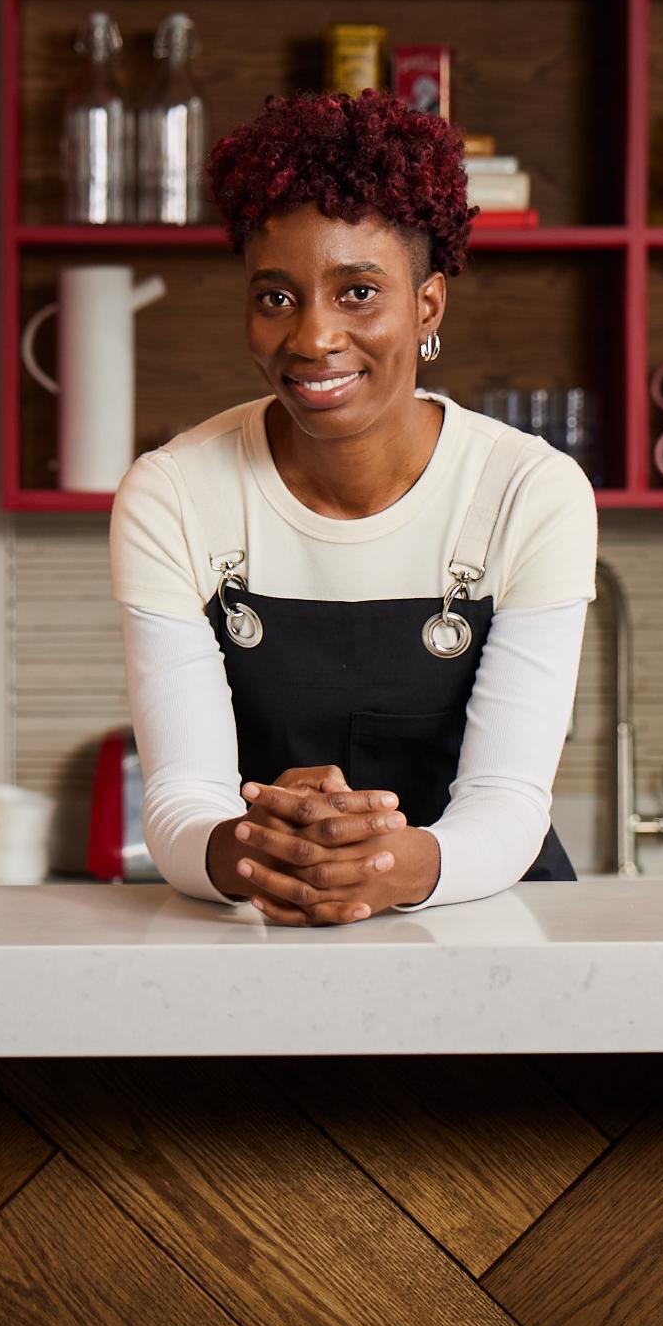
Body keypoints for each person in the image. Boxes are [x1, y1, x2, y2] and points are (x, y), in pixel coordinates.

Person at [109, 89, 598, 925]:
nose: (313, 337)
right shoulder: (174, 493)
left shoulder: (529, 491)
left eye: (359, 292)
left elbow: (507, 805)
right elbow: (183, 803)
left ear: (429, 305)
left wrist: (380, 864)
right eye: (276, 297)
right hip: (264, 924)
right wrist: (257, 850)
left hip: (485, 931)